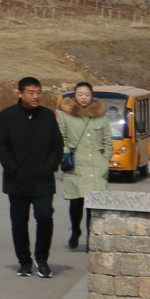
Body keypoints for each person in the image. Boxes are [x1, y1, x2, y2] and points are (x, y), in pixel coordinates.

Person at [0, 77, 65, 277]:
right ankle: (24, 261)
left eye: (38, 92)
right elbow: (0, 145)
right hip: (17, 180)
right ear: (20, 94)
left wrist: (50, 164)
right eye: (31, 92)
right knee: (19, 222)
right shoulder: (7, 116)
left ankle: (42, 260)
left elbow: (57, 144)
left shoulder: (48, 116)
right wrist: (12, 167)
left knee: (44, 217)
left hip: (43, 180)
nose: (36, 96)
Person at [58, 82, 114, 251]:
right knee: (76, 202)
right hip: (76, 165)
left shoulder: (100, 116)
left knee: (93, 205)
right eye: (80, 94)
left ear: (92, 96)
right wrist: (67, 154)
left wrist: (105, 160)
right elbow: (62, 139)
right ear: (74, 96)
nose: (83, 97)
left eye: (87, 94)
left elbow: (107, 141)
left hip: (96, 166)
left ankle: (91, 237)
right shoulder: (65, 116)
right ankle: (75, 230)